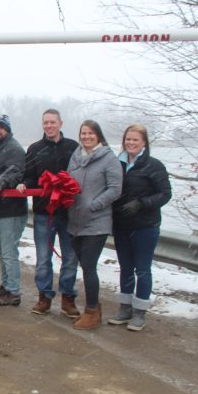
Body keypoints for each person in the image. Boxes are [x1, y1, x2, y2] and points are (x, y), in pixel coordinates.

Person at [108, 123, 171, 331]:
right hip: (121, 225)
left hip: (145, 226)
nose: (131, 143)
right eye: (128, 139)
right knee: (125, 268)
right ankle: (125, 309)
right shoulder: (117, 164)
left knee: (142, 270)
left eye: (135, 139)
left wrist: (141, 203)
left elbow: (165, 194)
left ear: (143, 142)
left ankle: (140, 313)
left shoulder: (154, 166)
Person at [18, 109, 81, 318]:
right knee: (44, 257)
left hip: (69, 212)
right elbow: (29, 176)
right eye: (45, 123)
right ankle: (44, 296)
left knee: (70, 257)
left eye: (52, 122)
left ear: (60, 124)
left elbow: (81, 176)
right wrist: (23, 185)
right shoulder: (35, 149)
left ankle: (68, 297)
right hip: (43, 212)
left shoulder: (74, 148)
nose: (49, 126)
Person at [67, 120, 123, 330]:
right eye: (83, 133)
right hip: (75, 220)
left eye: (91, 133)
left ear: (98, 135)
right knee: (84, 265)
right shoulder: (75, 156)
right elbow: (68, 181)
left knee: (89, 266)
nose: (86, 137)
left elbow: (115, 189)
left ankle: (91, 311)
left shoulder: (109, 159)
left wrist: (94, 204)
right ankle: (95, 309)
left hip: (97, 222)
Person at [0, 115, 28, 307]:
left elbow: (15, 170)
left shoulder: (14, 149)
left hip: (12, 210)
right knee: (2, 251)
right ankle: (6, 285)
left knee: (9, 252)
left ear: (7, 129)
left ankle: (14, 291)